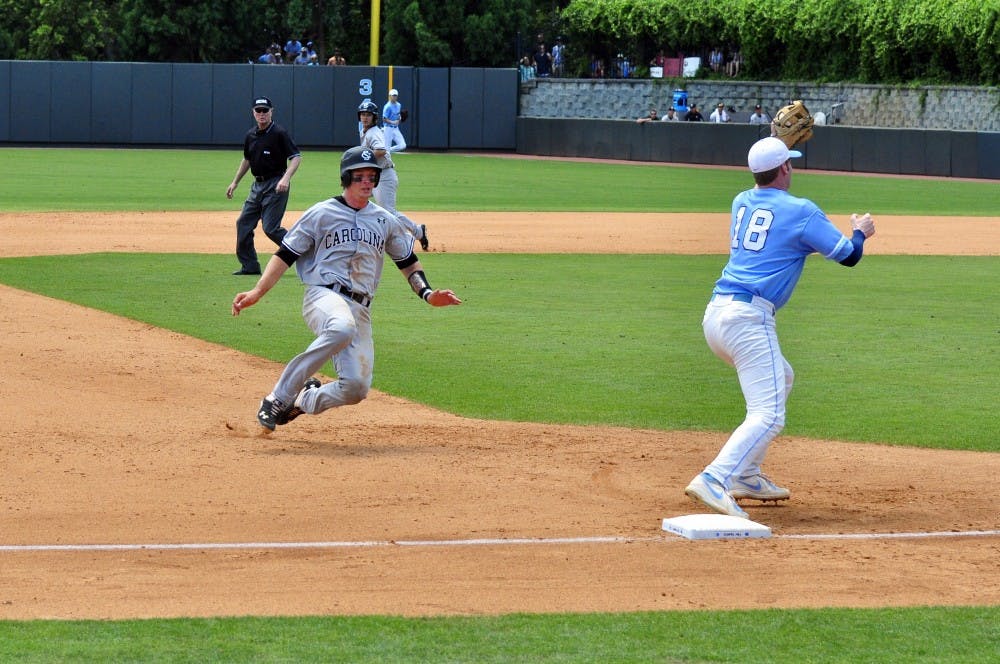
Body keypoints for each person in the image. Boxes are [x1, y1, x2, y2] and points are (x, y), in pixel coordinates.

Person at [684, 136, 876, 518]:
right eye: (790, 162)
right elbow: (848, 256)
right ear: (785, 168)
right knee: (769, 415)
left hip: (716, 314)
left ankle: (746, 475)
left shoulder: (741, 200)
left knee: (782, 378)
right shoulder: (801, 211)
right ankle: (715, 477)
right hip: (748, 320)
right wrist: (860, 231)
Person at [232, 147, 462, 431]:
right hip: (323, 295)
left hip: (361, 308)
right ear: (346, 177)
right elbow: (285, 255)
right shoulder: (321, 213)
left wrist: (427, 294)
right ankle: (278, 397)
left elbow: (409, 263)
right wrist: (257, 292)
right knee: (341, 327)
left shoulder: (384, 221)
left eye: (371, 176)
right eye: (359, 176)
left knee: (356, 388)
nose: (367, 182)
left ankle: (304, 399)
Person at [226, 97, 302, 275]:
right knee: (243, 222)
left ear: (271, 112)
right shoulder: (250, 135)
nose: (261, 114)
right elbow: (247, 159)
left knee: (271, 228)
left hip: (276, 184)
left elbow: (296, 157)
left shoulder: (279, 133)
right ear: (253, 112)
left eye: (265, 110)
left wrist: (286, 178)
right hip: (257, 185)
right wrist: (235, 182)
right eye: (258, 110)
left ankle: (302, 252)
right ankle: (250, 266)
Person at [358, 100, 429, 250]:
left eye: (368, 115)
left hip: (384, 176)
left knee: (389, 213)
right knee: (355, 200)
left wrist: (363, 155)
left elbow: (381, 150)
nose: (365, 117)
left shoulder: (374, 132)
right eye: (363, 114)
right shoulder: (364, 131)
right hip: (373, 177)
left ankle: (417, 232)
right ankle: (362, 236)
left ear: (374, 117)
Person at [382, 89, 407, 153]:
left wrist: (400, 118)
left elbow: (398, 116)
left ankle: (387, 151)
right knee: (386, 147)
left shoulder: (399, 105)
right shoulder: (387, 106)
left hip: (395, 128)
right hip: (388, 129)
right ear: (390, 96)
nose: (394, 97)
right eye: (393, 95)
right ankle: (386, 152)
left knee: (403, 145)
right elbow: (384, 119)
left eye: (395, 95)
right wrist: (393, 122)